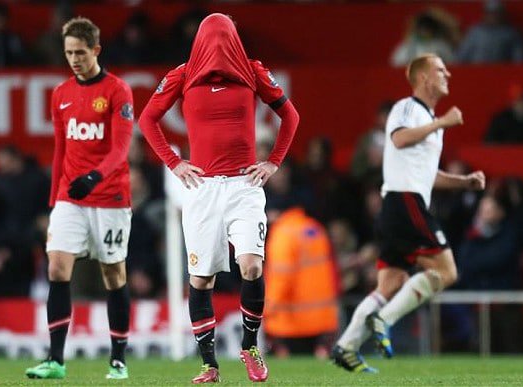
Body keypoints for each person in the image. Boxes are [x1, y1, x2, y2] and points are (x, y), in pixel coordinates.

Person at [139, 13, 299, 383]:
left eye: (224, 37)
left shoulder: (254, 71)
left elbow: (290, 115)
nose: (217, 46)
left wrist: (273, 162)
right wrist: (175, 163)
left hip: (244, 186)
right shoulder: (182, 74)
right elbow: (148, 119)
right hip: (203, 188)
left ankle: (249, 345)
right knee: (201, 278)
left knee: (252, 266)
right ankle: (209, 364)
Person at [331, 53, 486, 373]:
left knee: (390, 283)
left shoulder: (430, 121)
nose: (448, 75)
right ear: (424, 77)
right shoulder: (407, 108)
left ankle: (345, 347)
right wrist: (441, 123)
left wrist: (462, 182)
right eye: (441, 70)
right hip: (405, 203)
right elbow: (399, 139)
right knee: (447, 272)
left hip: (399, 205)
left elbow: (426, 174)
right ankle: (383, 320)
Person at [24, 17, 134, 380]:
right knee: (56, 267)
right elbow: (60, 149)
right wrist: (56, 198)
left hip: (110, 197)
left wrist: (95, 177)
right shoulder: (60, 94)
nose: (74, 59)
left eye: (81, 53)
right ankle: (55, 360)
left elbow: (120, 149)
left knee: (113, 274)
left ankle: (118, 359)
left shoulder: (118, 91)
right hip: (71, 197)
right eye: (69, 52)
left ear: (96, 50)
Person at [264, 205, 340, 359]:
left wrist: (268, 307)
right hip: (322, 316)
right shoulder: (314, 228)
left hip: (293, 320)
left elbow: (282, 276)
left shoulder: (283, 233)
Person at [456, 0, 523, 64]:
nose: (493, 16)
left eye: (496, 13)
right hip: (475, 73)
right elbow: (461, 56)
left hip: (501, 74)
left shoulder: (511, 34)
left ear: (502, 14)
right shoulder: (475, 33)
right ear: (485, 14)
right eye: (490, 13)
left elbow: (519, 60)